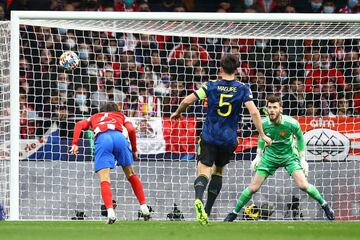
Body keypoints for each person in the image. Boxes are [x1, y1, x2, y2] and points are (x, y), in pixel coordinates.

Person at [170, 54, 272, 225]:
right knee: (218, 171)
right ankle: (207, 212)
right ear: (237, 70)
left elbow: (187, 100)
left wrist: (178, 112)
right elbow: (254, 112)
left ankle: (198, 199)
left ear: (220, 68)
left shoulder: (210, 85)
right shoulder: (243, 88)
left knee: (203, 172)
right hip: (228, 139)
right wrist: (262, 134)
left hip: (209, 136)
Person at [224, 95, 335, 222]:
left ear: (280, 109)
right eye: (269, 107)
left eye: (275, 107)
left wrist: (303, 159)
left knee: (303, 185)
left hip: (289, 157)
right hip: (269, 157)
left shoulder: (291, 123)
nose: (271, 110)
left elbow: (299, 138)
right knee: (253, 187)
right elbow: (261, 136)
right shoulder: (264, 123)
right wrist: (258, 156)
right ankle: (233, 213)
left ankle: (325, 206)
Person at [70, 102, 150, 224]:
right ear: (116, 110)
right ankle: (144, 207)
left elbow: (79, 124)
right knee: (131, 174)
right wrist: (134, 149)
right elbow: (131, 129)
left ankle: (111, 213)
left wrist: (75, 143)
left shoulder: (95, 116)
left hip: (103, 139)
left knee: (104, 178)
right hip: (119, 138)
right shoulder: (121, 116)